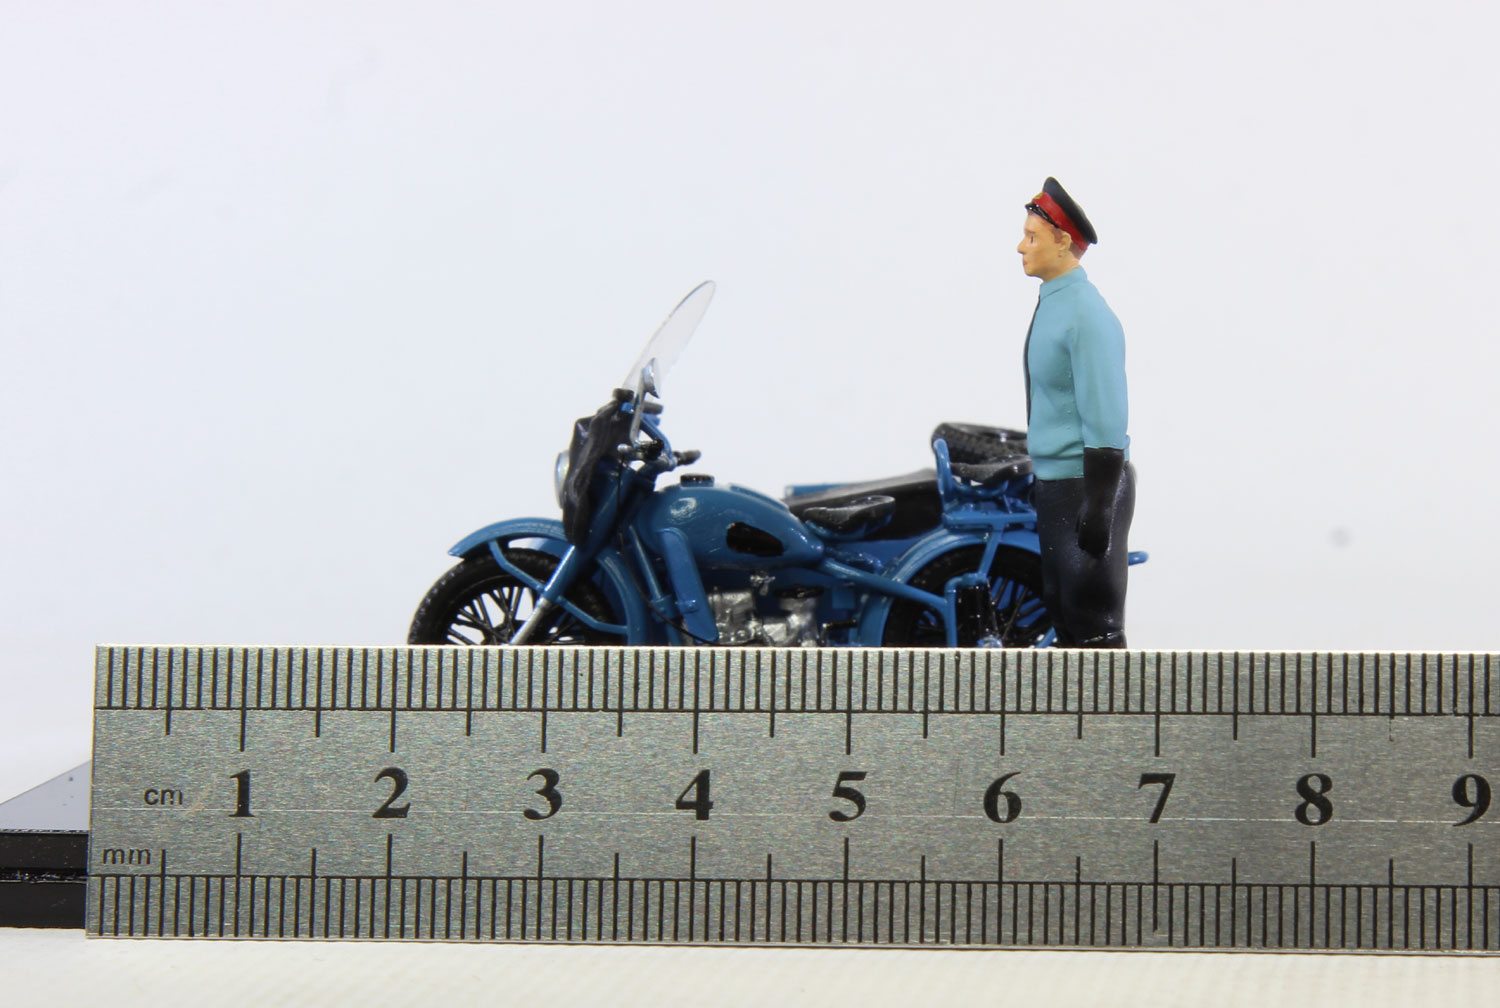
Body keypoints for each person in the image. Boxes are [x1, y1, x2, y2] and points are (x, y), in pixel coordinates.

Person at [1017, 177, 1134, 647]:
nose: (1021, 247)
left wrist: (1100, 503)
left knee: (1090, 614)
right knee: (1058, 604)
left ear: (1063, 242)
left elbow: (1106, 412)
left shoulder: (1085, 314)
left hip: (1084, 484)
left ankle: (1113, 695)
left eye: (1032, 238)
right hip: (1054, 482)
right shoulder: (1054, 303)